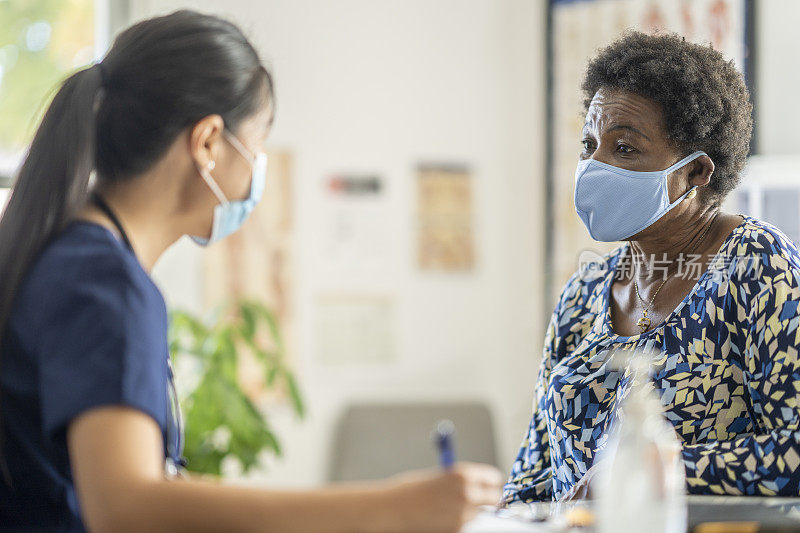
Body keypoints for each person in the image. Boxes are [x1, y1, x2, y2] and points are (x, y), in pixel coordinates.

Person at [0, 10, 502, 532]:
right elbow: (126, 506)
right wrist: (393, 510)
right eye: (257, 147)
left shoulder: (68, 256)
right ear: (208, 144)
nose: (256, 172)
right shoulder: (102, 280)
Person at [503, 31, 800, 503]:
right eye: (588, 145)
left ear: (697, 172)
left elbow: (792, 449)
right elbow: (535, 471)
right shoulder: (584, 293)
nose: (593, 166)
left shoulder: (757, 266)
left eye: (624, 148)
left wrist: (643, 471)